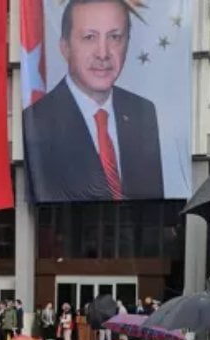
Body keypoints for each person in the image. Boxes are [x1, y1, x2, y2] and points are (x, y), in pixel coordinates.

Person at [22, 0, 163, 201]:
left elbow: (152, 203)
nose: (103, 53)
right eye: (89, 37)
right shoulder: (37, 121)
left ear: (127, 43)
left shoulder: (143, 112)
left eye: (115, 37)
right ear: (65, 47)